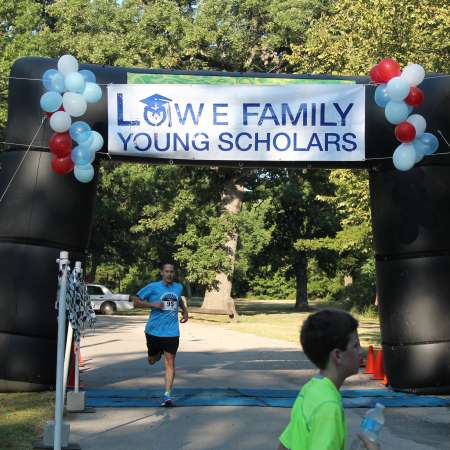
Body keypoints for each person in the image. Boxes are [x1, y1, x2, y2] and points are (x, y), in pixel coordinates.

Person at [277, 309, 380, 450]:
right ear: (338, 355)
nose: (360, 351)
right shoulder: (329, 407)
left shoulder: (311, 389)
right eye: (355, 345)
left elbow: (285, 444)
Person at [131, 263, 188, 407]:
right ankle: (157, 353)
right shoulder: (153, 287)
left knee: (170, 362)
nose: (169, 274)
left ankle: (167, 396)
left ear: (174, 274)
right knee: (152, 360)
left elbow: (179, 299)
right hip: (153, 331)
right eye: (166, 271)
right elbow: (135, 301)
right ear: (162, 273)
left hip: (171, 332)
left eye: (172, 272)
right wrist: (152, 305)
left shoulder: (178, 287)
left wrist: (185, 311)